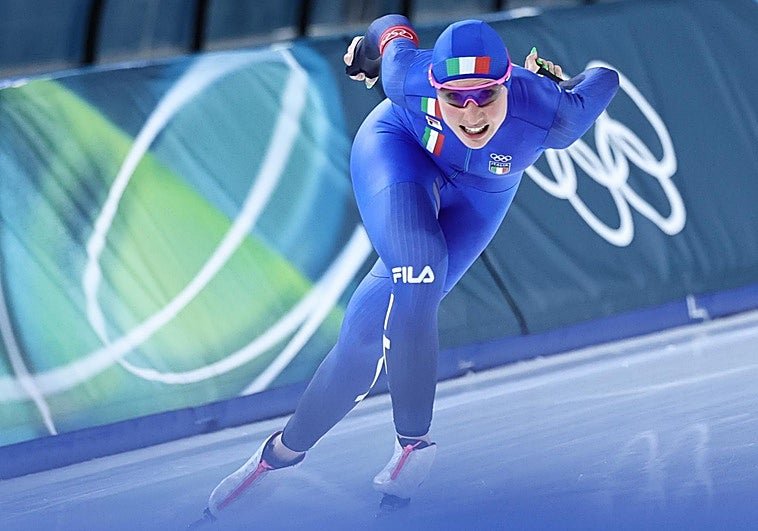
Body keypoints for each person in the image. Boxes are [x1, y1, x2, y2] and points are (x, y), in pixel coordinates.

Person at [199, 14, 619, 521]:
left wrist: (563, 82)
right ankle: (410, 446)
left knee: (364, 337)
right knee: (421, 265)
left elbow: (605, 77)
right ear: (434, 88)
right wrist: (366, 54)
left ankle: (277, 457)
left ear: (508, 82)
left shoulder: (553, 114)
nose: (471, 114)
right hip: (399, 154)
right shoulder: (406, 76)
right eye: (455, 98)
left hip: (483, 195)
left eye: (485, 95)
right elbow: (391, 27)